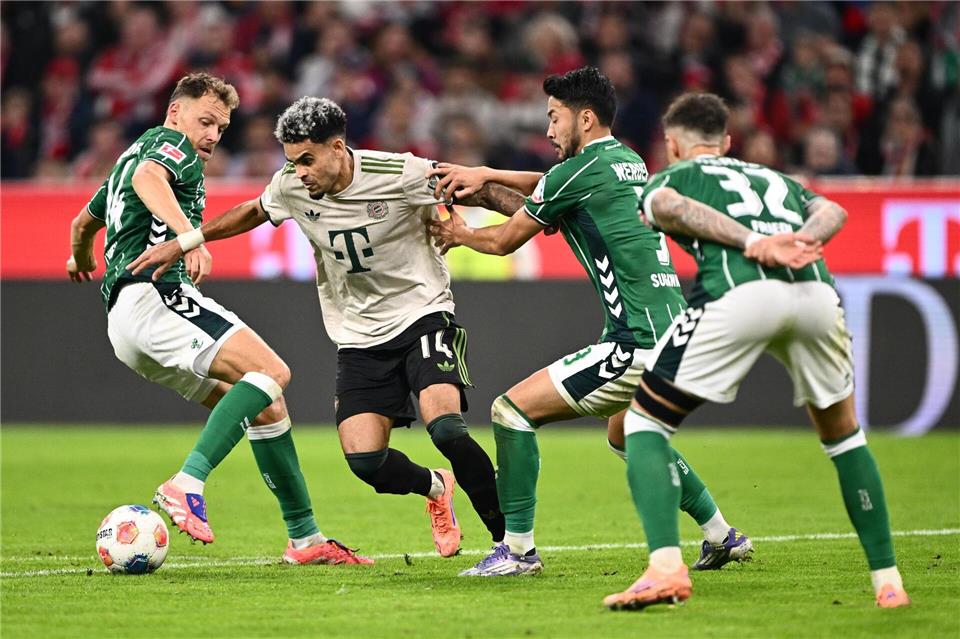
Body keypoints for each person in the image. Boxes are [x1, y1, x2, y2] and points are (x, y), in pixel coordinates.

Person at [426, 67, 808, 576]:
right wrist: (487, 175)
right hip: (676, 335)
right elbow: (548, 188)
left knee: (510, 412)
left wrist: (456, 234)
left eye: (554, 118)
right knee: (626, 434)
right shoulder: (625, 161)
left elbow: (501, 240)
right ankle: (722, 536)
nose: (547, 130)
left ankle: (517, 551)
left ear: (584, 118)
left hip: (637, 343)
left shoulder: (576, 174)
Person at [127, 96, 510, 565]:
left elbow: (480, 191)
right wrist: (189, 239)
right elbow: (252, 211)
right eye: (292, 162)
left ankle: (509, 542)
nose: (300, 172)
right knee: (366, 462)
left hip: (422, 314)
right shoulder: (291, 185)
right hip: (358, 337)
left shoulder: (401, 174)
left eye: (307, 160)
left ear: (337, 147)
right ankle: (436, 487)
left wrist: (543, 211)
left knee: (447, 428)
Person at [601, 92, 909, 610]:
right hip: (817, 296)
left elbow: (675, 208)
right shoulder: (774, 179)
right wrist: (799, 238)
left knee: (643, 425)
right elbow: (831, 209)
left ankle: (665, 568)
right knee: (845, 438)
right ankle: (888, 582)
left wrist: (751, 242)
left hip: (741, 294)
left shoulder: (669, 177)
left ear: (672, 144)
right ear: (725, 142)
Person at [67, 73, 371, 566]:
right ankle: (186, 483)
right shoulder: (170, 145)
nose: (210, 135)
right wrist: (192, 237)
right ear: (174, 113)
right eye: (205, 121)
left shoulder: (123, 163)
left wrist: (79, 259)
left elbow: (83, 223)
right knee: (273, 372)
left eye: (221, 128)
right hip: (156, 296)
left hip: (124, 326)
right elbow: (150, 179)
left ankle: (306, 539)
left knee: (265, 406)